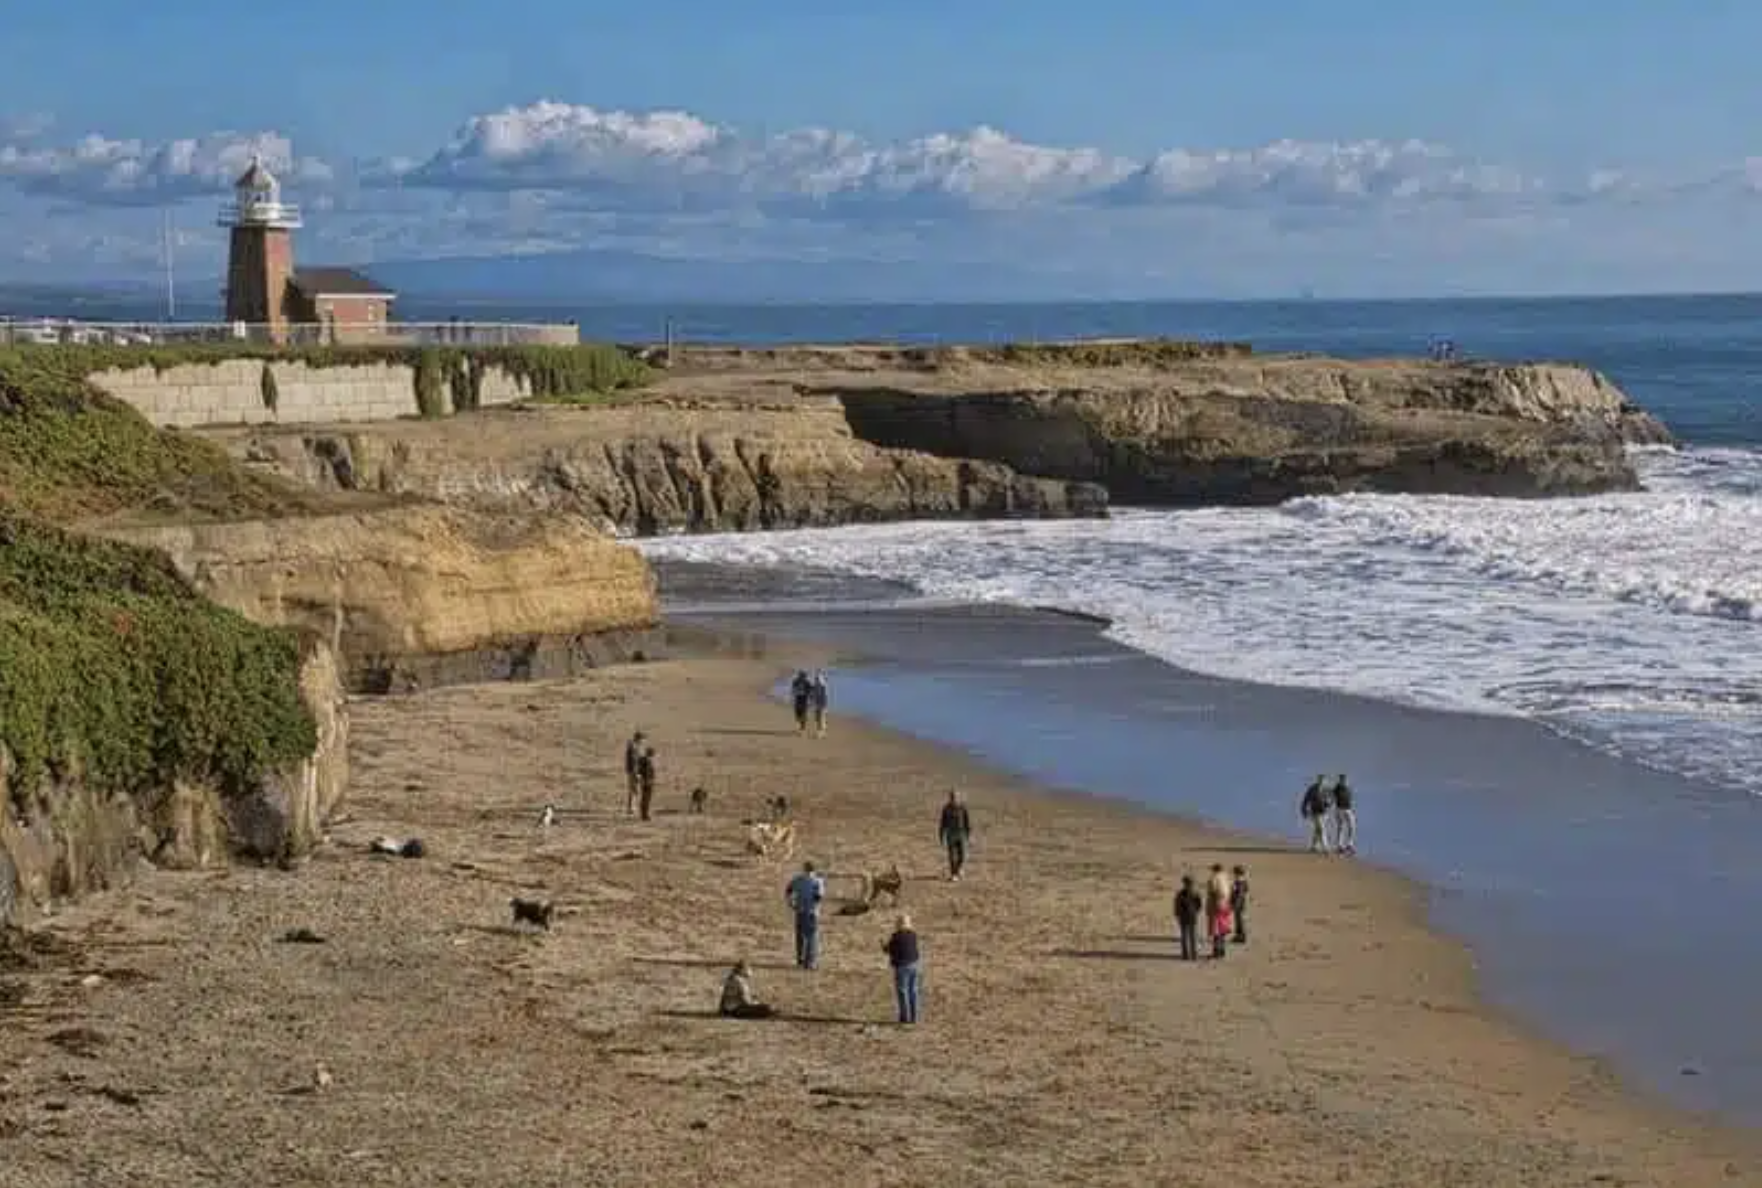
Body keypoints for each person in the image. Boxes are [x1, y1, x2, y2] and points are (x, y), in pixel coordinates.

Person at [785, 861, 826, 970]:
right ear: (814, 870)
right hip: (811, 913)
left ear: (804, 869)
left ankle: (800, 959)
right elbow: (819, 897)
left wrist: (791, 903)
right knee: (812, 938)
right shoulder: (817, 881)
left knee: (800, 937)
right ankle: (810, 963)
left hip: (799, 911)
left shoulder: (798, 879)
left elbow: (788, 890)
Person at [883, 913, 922, 1025]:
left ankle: (905, 1018)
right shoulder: (913, 935)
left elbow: (890, 950)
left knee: (903, 992)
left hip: (902, 967)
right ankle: (914, 1018)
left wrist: (884, 947)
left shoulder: (896, 936)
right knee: (913, 991)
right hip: (915, 964)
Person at [937, 790, 972, 881]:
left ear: (958, 798)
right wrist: (941, 836)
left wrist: (968, 834)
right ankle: (954, 874)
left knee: (962, 855)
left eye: (956, 797)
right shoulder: (946, 809)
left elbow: (966, 821)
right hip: (950, 835)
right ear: (950, 798)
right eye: (952, 797)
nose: (954, 799)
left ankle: (959, 869)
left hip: (961, 834)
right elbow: (942, 823)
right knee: (952, 856)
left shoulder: (962, 807)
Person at [1205, 864, 1234, 959]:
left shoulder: (1214, 878)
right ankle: (1222, 950)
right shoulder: (1226, 878)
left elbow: (1212, 891)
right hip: (1226, 905)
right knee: (1222, 929)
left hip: (1216, 906)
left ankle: (1216, 951)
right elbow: (1231, 890)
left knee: (1216, 930)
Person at [1172, 875, 1203, 961]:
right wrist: (1196, 911)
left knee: (1184, 936)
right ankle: (1194, 954)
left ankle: (1185, 955)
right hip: (1192, 916)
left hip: (1183, 917)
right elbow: (1199, 905)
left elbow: (1177, 906)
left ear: (1184, 883)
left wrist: (1177, 915)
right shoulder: (1196, 893)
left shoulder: (1180, 893)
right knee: (1193, 936)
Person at [1300, 774, 1333, 853]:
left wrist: (1329, 804)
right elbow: (1305, 800)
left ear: (1325, 781)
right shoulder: (1312, 789)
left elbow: (1332, 799)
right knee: (1322, 829)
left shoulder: (1327, 789)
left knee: (1317, 830)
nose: (1321, 781)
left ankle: (1313, 846)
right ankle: (1326, 847)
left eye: (1323, 779)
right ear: (1317, 780)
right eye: (1320, 779)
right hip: (1315, 812)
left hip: (1325, 813)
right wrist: (1304, 811)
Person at [1331, 774, 1357, 856]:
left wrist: (1352, 808)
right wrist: (1330, 806)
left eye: (1345, 779)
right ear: (1340, 779)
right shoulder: (1337, 788)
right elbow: (1332, 797)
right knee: (1341, 827)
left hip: (1348, 809)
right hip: (1339, 809)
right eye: (1342, 779)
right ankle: (1339, 846)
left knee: (1352, 826)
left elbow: (1350, 797)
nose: (1344, 780)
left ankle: (1349, 844)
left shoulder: (1348, 787)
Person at [623, 730, 646, 815]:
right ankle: (631, 808)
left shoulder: (634, 747)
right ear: (639, 739)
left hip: (633, 771)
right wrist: (636, 773)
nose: (644, 741)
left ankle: (632, 807)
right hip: (633, 771)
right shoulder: (634, 748)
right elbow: (634, 761)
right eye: (643, 739)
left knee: (633, 790)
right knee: (634, 790)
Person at [636, 745, 657, 822]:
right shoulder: (647, 761)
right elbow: (646, 773)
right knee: (646, 799)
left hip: (646, 782)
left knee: (645, 799)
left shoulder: (644, 760)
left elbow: (640, 772)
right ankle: (645, 815)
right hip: (647, 782)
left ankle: (644, 814)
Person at [1230, 865, 1250, 945]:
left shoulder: (1239, 882)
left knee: (1239, 920)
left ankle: (1241, 936)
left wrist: (1235, 904)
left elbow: (1239, 894)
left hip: (1239, 904)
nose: (1234, 874)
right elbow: (1246, 891)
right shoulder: (1243, 881)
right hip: (1241, 903)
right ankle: (1239, 936)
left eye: (1235, 872)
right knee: (1240, 920)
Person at [808, 669, 830, 737]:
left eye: (816, 678)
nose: (816, 679)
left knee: (820, 718)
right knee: (819, 718)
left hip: (821, 703)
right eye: (816, 678)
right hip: (820, 703)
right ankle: (822, 732)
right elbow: (813, 694)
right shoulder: (820, 684)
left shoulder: (822, 685)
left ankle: (821, 733)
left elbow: (820, 694)